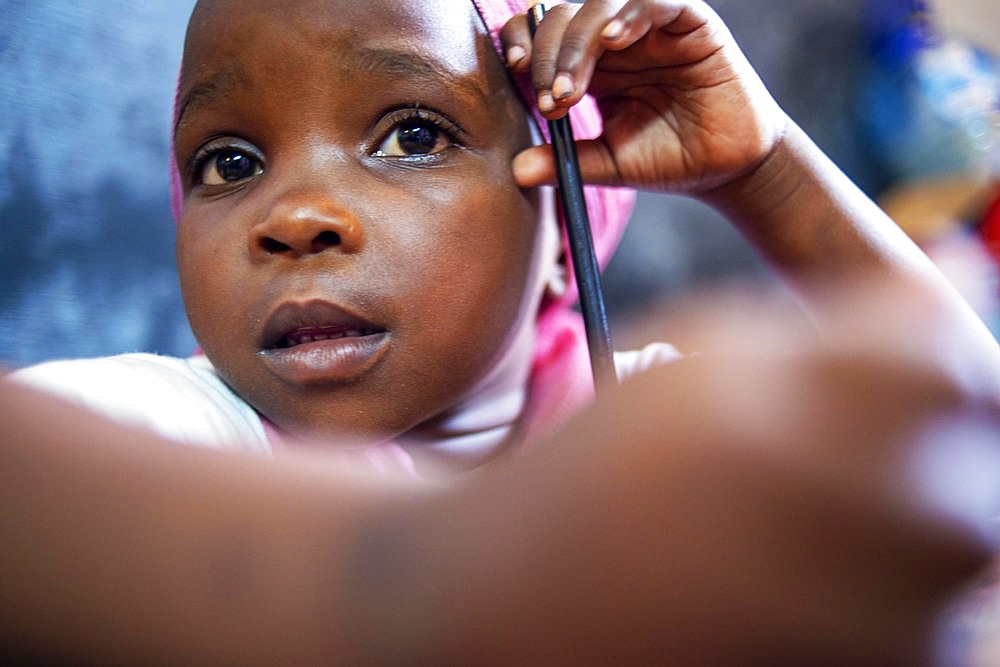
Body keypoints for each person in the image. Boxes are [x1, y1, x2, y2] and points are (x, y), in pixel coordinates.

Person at [2, 0, 999, 662]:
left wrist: (766, 167)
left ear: (565, 231)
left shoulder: (634, 421)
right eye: (227, 162)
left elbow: (970, 463)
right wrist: (439, 572)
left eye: (412, 134)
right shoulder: (182, 431)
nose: (293, 213)